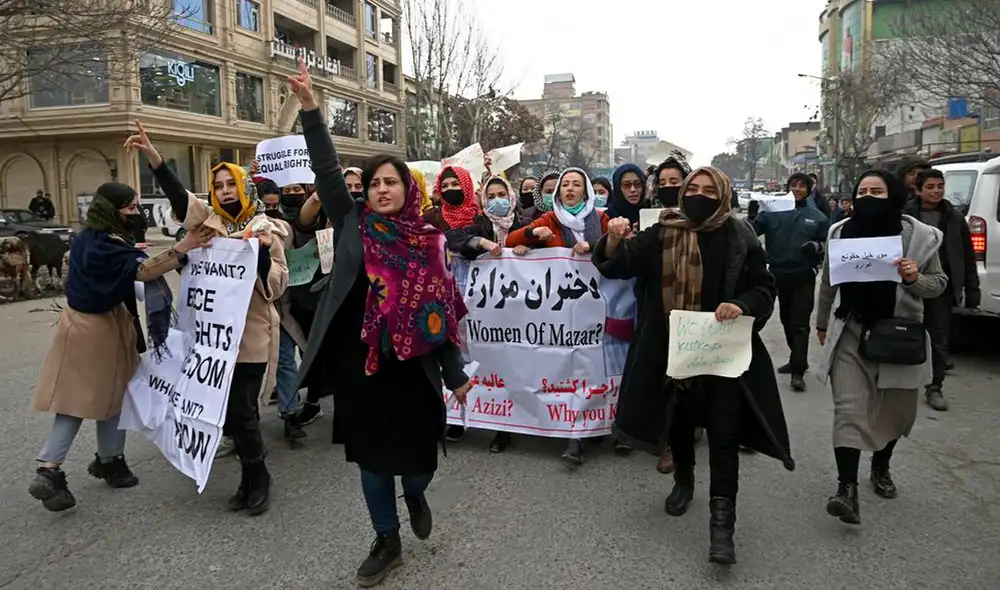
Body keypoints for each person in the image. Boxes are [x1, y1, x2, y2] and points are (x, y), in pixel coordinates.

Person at [286, 61, 471, 587]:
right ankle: (386, 538)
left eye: (391, 182)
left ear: (408, 189)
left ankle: (415, 493)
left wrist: (455, 372)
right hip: (358, 361)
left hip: (412, 368)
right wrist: (310, 109)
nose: (381, 189)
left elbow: (442, 314)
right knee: (370, 459)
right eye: (373, 183)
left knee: (417, 464)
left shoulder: (428, 242)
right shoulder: (351, 223)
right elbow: (325, 168)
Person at [594, 165, 794, 564]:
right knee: (680, 427)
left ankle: (723, 527)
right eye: (692, 188)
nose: (698, 195)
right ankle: (684, 481)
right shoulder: (665, 232)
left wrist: (741, 305)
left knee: (723, 436)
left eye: (708, 190)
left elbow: (763, 288)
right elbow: (619, 265)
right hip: (672, 352)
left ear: (722, 196)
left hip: (724, 355)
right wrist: (613, 241)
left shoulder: (740, 236)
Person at [128, 122, 290, 516]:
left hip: (250, 338)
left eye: (230, 185)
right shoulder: (208, 224)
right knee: (228, 415)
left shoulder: (265, 228)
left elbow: (279, 285)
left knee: (242, 412)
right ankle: (251, 478)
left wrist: (262, 256)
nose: (224, 193)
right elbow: (181, 200)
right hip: (211, 341)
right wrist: (155, 160)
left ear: (244, 187)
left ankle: (258, 476)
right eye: (218, 187)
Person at [29, 182, 214, 512]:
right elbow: (142, 271)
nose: (135, 213)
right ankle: (51, 467)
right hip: (98, 328)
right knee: (81, 400)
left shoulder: (88, 236)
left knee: (112, 393)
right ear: (111, 210)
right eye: (129, 208)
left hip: (86, 323)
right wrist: (184, 245)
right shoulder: (107, 244)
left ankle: (110, 460)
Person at [816, 169, 946, 525]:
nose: (869, 197)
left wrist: (913, 276)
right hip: (852, 331)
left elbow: (938, 285)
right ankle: (846, 489)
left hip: (898, 335)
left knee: (896, 411)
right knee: (849, 409)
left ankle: (881, 465)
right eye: (863, 191)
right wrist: (823, 321)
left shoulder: (920, 237)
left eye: (877, 190)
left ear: (893, 195)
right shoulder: (840, 232)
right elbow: (828, 280)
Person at [506, 167, 610, 465]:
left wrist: (596, 245)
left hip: (592, 306)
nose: (569, 189)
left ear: (586, 191)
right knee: (563, 368)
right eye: (565, 184)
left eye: (576, 184)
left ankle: (588, 426)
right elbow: (511, 240)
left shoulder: (600, 219)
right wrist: (530, 236)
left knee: (588, 367)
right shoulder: (549, 218)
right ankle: (572, 433)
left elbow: (617, 249)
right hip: (556, 312)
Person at [445, 175, 524, 453]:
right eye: (490, 196)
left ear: (511, 195)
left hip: (518, 309)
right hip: (485, 310)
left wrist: (526, 243)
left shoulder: (522, 221)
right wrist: (483, 242)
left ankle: (505, 428)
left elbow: (541, 243)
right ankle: (458, 418)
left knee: (508, 363)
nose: (497, 200)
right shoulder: (479, 224)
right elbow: (452, 239)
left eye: (502, 193)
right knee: (474, 359)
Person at [904, 168, 980, 411]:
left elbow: (967, 255)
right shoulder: (905, 215)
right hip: (908, 283)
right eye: (930, 187)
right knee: (904, 332)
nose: (936, 191)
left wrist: (971, 288)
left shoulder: (954, 217)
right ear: (918, 189)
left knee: (939, 337)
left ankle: (934, 386)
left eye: (940, 186)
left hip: (941, 287)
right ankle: (902, 383)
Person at [749, 172, 830, 391]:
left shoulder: (818, 217)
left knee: (800, 323)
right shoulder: (774, 211)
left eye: (802, 185)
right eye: (793, 184)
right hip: (778, 273)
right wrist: (753, 215)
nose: (797, 188)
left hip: (804, 274)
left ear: (809, 189)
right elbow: (751, 233)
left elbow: (829, 243)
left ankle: (797, 372)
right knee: (786, 319)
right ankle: (798, 358)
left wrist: (818, 247)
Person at [255, 178, 309, 445]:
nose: (272, 204)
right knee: (251, 366)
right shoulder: (238, 227)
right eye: (267, 200)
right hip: (248, 311)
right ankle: (245, 419)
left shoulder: (283, 228)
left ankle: (290, 414)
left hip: (278, 305)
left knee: (286, 359)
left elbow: (289, 264)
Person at [607, 164, 647, 229]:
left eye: (637, 184)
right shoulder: (607, 216)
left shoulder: (651, 211)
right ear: (618, 188)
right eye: (626, 185)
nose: (633, 190)